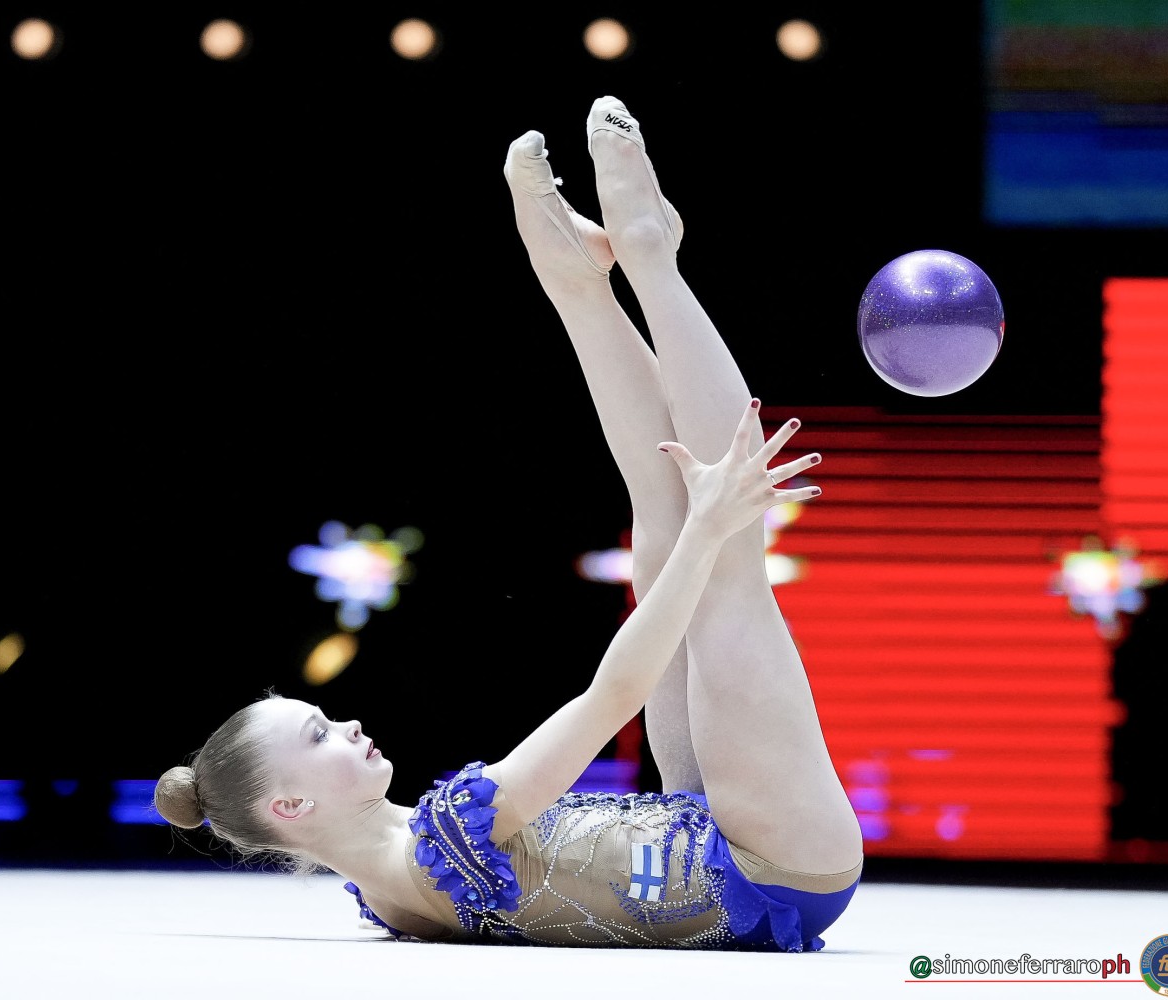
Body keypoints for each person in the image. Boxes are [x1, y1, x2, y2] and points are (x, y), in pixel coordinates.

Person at [154, 96, 863, 951]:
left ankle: (579, 283)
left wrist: (697, 532)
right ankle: (650, 256)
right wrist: (710, 531)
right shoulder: (443, 839)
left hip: (702, 828)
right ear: (290, 805)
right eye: (319, 734)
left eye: (324, 717)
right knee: (718, 555)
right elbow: (612, 696)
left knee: (664, 516)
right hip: (779, 862)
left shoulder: (386, 894)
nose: (347, 724)